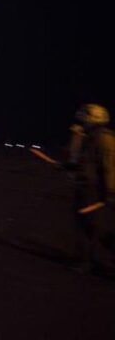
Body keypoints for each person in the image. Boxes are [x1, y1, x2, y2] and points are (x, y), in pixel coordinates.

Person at [66, 104, 115, 273]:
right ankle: (85, 259)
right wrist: (69, 167)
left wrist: (109, 192)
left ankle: (87, 262)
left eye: (84, 118)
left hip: (93, 190)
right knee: (82, 226)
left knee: (90, 227)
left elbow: (108, 167)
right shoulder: (89, 137)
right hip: (85, 187)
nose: (81, 122)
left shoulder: (104, 138)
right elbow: (86, 163)